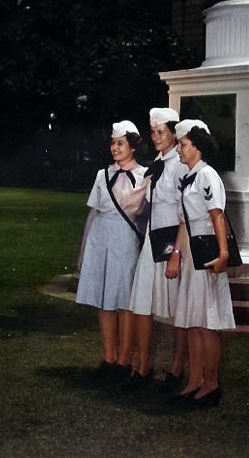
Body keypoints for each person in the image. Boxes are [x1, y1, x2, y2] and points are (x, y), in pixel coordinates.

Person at [166, 120, 236, 408]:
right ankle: (195, 381)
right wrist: (177, 254)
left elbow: (217, 215)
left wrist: (223, 254)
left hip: (207, 249)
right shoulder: (189, 177)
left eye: (183, 145)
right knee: (193, 320)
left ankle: (211, 384)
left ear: (197, 147)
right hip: (192, 249)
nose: (179, 150)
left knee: (207, 322)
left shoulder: (207, 176)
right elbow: (184, 222)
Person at [76, 120, 148, 381]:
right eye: (113, 143)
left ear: (133, 146)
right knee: (103, 300)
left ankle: (124, 360)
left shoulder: (146, 176)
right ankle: (108, 358)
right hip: (100, 239)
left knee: (124, 301)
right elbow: (92, 214)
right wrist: (83, 252)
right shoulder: (101, 175)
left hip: (125, 239)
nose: (115, 148)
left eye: (120, 143)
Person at [122, 107, 188, 392]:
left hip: (173, 242)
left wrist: (177, 252)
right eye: (153, 132)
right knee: (140, 303)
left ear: (174, 133)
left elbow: (185, 212)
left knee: (179, 309)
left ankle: (176, 368)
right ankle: (143, 365)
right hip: (153, 239)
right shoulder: (156, 164)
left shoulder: (181, 164)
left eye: (161, 132)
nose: (156, 137)